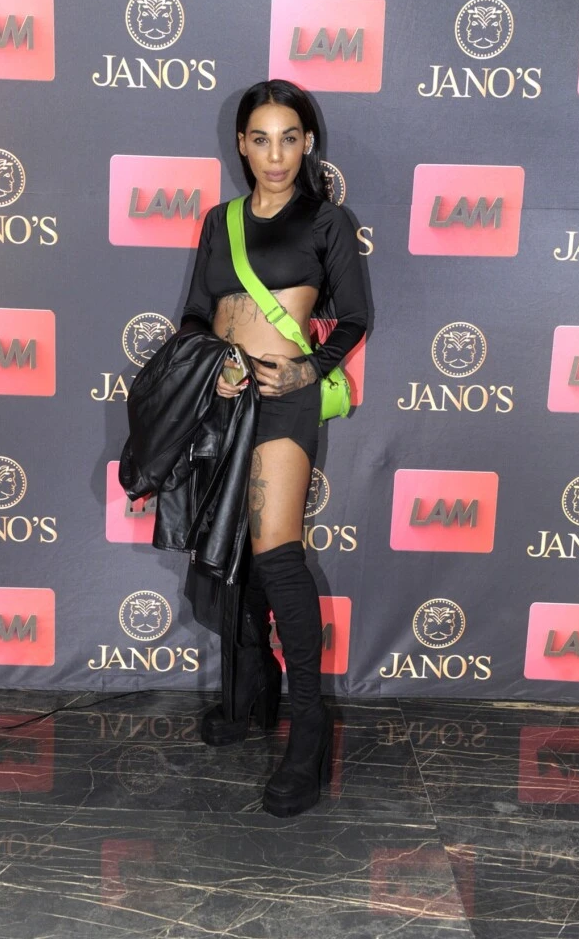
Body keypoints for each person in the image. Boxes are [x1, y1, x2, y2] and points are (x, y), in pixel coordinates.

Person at [180, 79, 369, 817]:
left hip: (285, 400)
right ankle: (252, 690)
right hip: (223, 402)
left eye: (289, 138)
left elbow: (354, 318)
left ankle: (309, 727)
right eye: (260, 139)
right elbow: (196, 314)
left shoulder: (327, 220)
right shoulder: (219, 220)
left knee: (279, 554)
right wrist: (212, 367)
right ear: (241, 144)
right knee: (237, 551)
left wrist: (306, 370)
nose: (276, 154)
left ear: (308, 142)